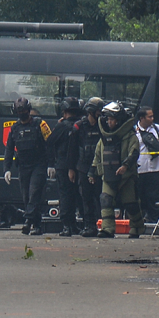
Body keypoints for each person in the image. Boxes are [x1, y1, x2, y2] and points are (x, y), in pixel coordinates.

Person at [89, 101, 145, 238]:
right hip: (108, 176)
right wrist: (92, 171)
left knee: (131, 204)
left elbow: (134, 153)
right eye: (108, 119)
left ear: (119, 121)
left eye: (112, 119)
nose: (109, 122)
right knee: (105, 200)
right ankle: (107, 229)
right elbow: (98, 155)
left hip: (127, 177)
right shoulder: (104, 138)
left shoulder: (130, 136)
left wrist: (125, 166)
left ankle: (137, 227)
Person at [3, 97, 52, 235]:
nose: (22, 113)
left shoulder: (40, 124)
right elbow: (9, 149)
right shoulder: (15, 128)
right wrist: (7, 169)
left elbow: (50, 143)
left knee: (34, 193)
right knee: (26, 197)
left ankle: (28, 221)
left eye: (24, 110)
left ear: (29, 110)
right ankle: (37, 226)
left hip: (39, 165)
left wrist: (51, 165)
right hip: (23, 166)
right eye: (19, 111)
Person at [46, 97, 83, 236]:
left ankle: (67, 225)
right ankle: (75, 225)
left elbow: (50, 142)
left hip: (63, 165)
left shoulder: (62, 126)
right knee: (77, 196)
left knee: (65, 196)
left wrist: (51, 163)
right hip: (79, 165)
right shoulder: (81, 124)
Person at [68, 97, 104, 237]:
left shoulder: (103, 125)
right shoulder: (79, 126)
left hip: (99, 168)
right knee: (86, 198)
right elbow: (72, 150)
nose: (100, 114)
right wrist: (71, 169)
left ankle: (102, 225)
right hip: (83, 167)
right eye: (98, 111)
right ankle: (89, 225)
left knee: (100, 197)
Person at [135, 106, 159, 224]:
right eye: (149, 116)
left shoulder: (157, 129)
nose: (152, 118)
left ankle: (154, 222)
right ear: (142, 118)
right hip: (140, 169)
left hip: (155, 169)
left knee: (153, 197)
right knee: (140, 196)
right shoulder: (134, 131)